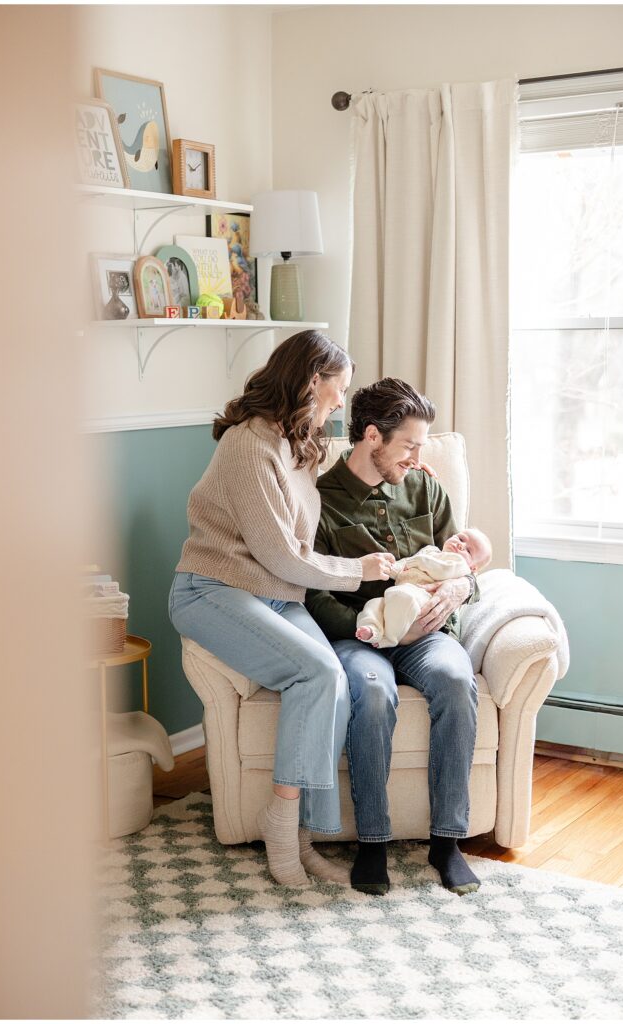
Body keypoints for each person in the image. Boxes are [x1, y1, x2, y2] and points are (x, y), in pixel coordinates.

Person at [168, 331, 395, 888]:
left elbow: (347, 477)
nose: (342, 402)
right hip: (212, 588)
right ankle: (280, 828)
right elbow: (280, 554)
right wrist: (358, 569)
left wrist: (407, 469)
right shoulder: (249, 445)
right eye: (338, 389)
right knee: (316, 671)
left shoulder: (300, 441)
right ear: (311, 381)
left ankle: (302, 836)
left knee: (334, 679)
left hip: (275, 592)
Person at [305, 378, 482, 897]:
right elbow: (314, 595)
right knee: (374, 694)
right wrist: (369, 632)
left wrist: (458, 588)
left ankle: (447, 841)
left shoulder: (426, 487)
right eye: (409, 445)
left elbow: (463, 565)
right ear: (372, 436)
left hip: (427, 631)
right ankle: (373, 843)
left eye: (422, 446)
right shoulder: (320, 501)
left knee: (454, 679)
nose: (417, 456)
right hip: (360, 634)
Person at [356, 528, 492, 648]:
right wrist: (390, 568)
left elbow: (442, 570)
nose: (460, 545)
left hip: (423, 602)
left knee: (403, 598)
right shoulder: (430, 550)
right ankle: (372, 629)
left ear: (473, 568)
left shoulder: (460, 565)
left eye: (468, 550)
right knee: (374, 604)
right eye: (461, 538)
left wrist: (418, 561)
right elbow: (404, 565)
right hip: (400, 595)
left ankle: (389, 639)